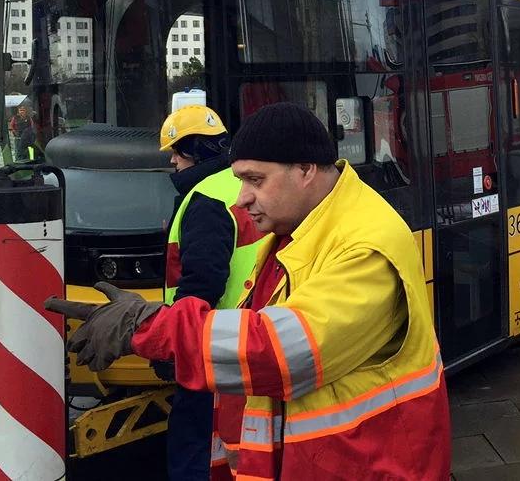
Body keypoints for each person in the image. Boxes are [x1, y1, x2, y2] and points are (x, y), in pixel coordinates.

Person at [47, 102, 450, 480]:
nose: (242, 199)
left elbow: (277, 351)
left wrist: (146, 326)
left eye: (255, 180)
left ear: (306, 170)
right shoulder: (299, 230)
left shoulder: (365, 245)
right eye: (241, 180)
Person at [156, 105, 264, 481]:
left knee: (194, 444)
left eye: (176, 152)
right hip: (248, 335)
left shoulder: (205, 198)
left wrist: (172, 341)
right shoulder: (244, 185)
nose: (172, 162)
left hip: (205, 343)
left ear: (195, 151)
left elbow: (203, 281)